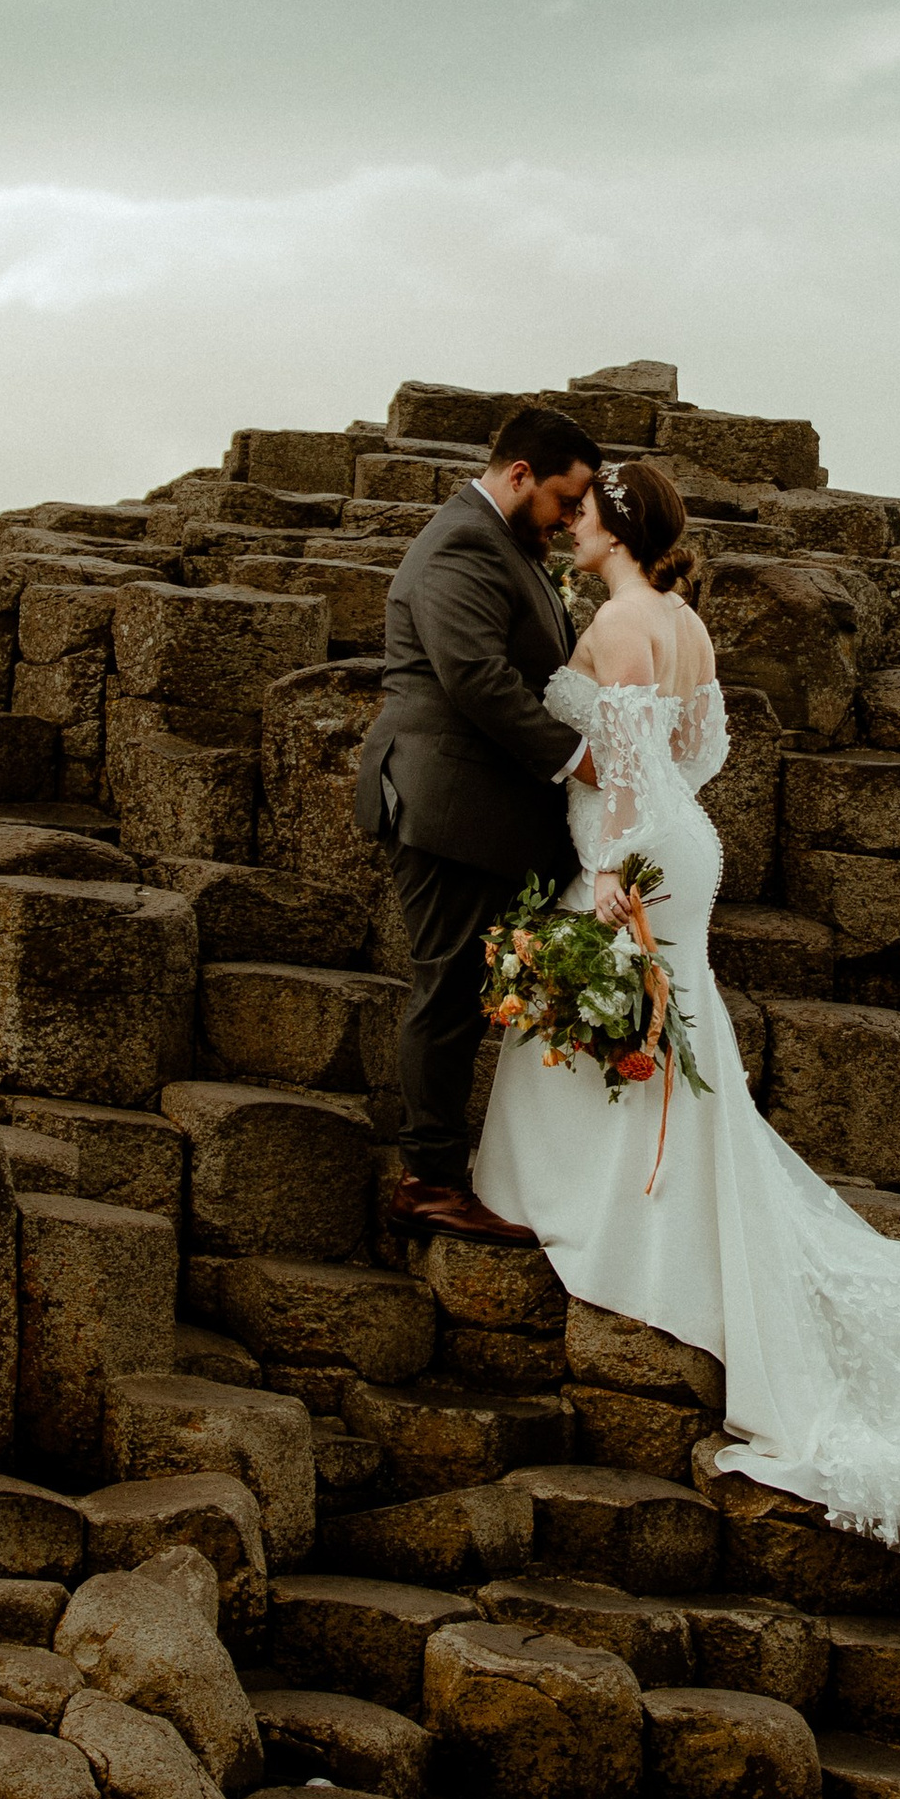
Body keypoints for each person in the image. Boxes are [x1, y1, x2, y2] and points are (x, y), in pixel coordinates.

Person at [471, 454, 900, 1547]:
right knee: (669, 1027)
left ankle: (630, 1229)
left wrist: (608, 871)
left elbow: (628, 769)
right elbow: (701, 750)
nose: (572, 526)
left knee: (615, 1015)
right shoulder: (684, 622)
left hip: (637, 855)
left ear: (620, 529)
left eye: (585, 515)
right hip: (685, 841)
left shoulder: (623, 624)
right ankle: (658, 1209)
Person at [355, 399, 607, 1241]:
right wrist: (579, 759)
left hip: (480, 812)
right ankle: (429, 1181)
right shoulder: (462, 542)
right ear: (520, 473)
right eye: (565, 500)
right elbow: (474, 675)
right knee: (450, 991)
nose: (570, 518)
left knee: (468, 988)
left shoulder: (508, 543)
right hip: (446, 806)